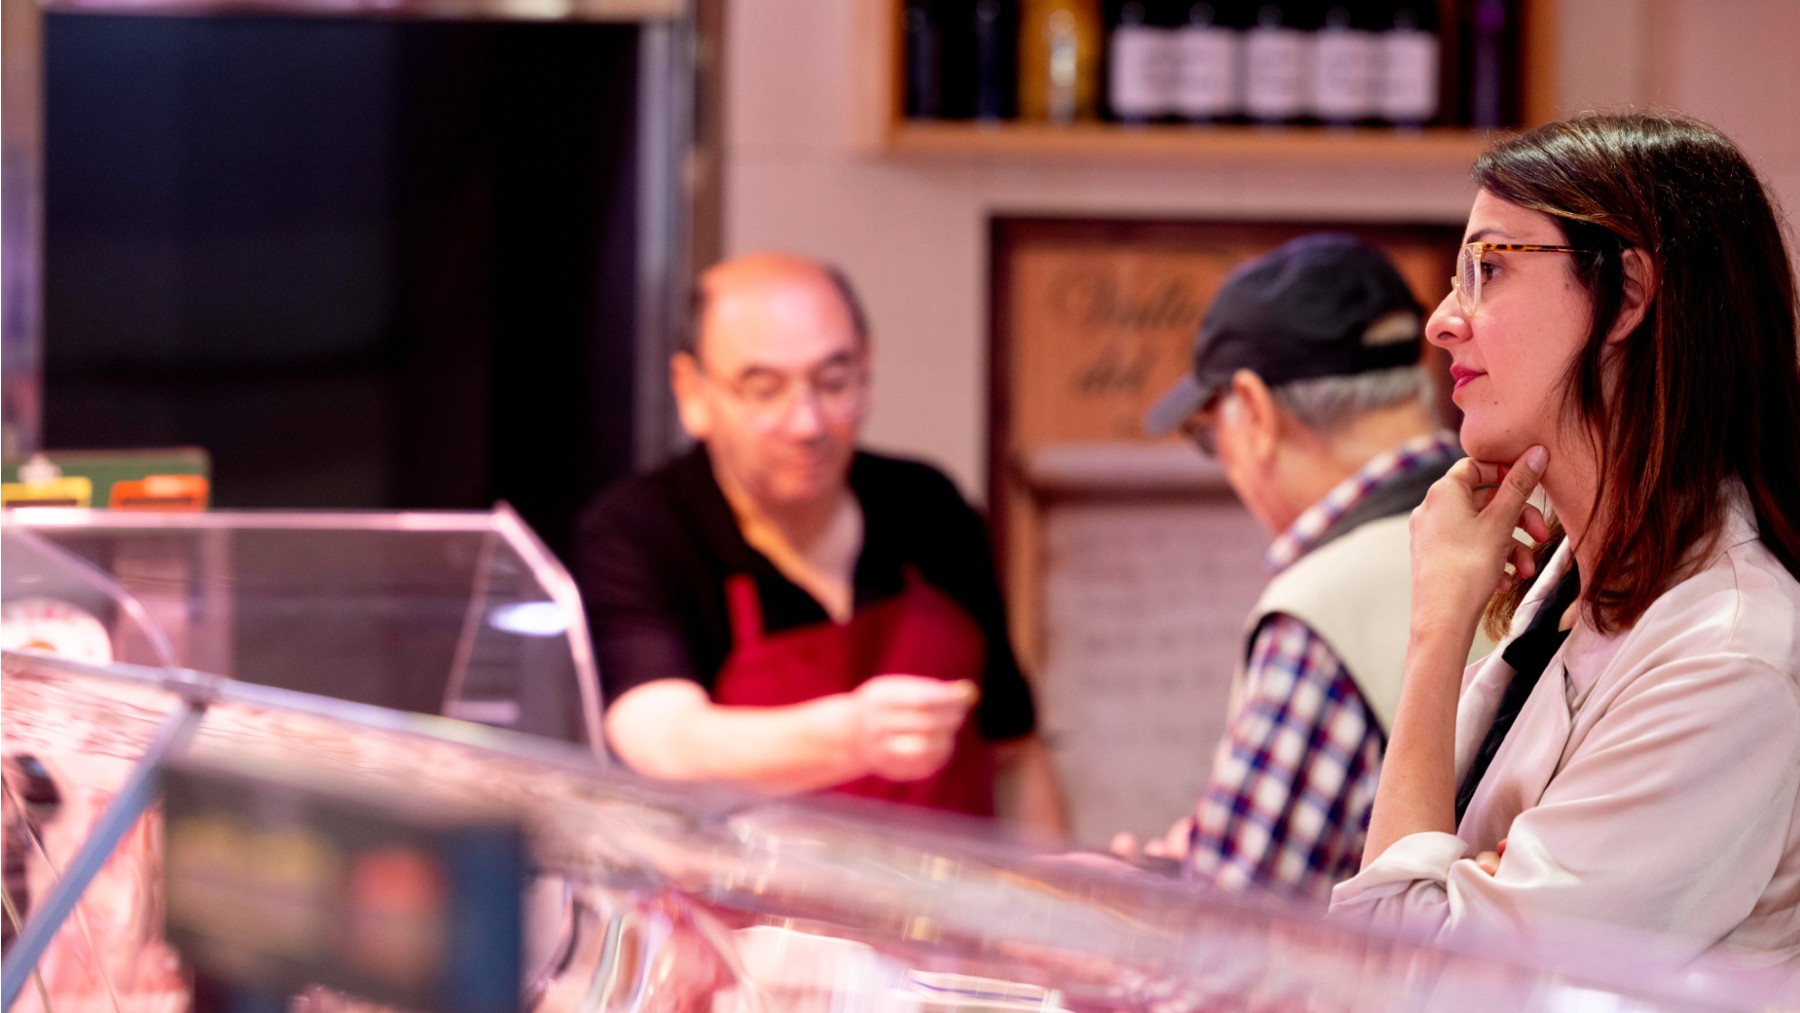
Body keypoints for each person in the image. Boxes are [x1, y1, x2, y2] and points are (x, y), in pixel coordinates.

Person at [1331, 113, 1800, 967]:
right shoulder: (1575, 586)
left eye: (1490, 268)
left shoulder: (1729, 659)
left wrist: (1438, 630)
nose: (1442, 320)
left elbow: (1416, 987)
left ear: (1625, 295)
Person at [574, 252, 1065, 829]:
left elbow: (1014, 751)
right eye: (764, 390)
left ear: (867, 367)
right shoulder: (642, 529)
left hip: (951, 911)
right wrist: (853, 736)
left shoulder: (930, 506)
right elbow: (663, 743)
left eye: (833, 383)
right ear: (694, 393)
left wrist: (1066, 903)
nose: (807, 424)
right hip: (741, 916)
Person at [1121, 233, 1485, 902]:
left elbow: (1232, 955)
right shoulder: (1522, 526)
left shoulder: (1323, 612)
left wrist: (1131, 904)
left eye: (1211, 432)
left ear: (1255, 412)